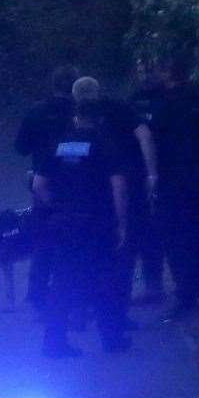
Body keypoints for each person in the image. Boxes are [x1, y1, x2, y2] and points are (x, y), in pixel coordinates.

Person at [32, 87, 132, 357]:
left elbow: (39, 183)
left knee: (62, 283)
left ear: (76, 118)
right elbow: (118, 185)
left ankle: (54, 343)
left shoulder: (60, 144)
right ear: (98, 118)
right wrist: (121, 221)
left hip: (65, 223)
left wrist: (55, 205)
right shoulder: (104, 143)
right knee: (106, 281)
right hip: (97, 223)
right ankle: (112, 339)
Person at [151, 51, 199, 318]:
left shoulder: (167, 104)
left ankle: (185, 295)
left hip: (175, 182)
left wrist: (153, 176)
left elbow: (155, 142)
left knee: (176, 240)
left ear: (168, 74)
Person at [72, 76, 157, 314]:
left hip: (86, 194)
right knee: (125, 245)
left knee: (83, 249)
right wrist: (151, 174)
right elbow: (145, 136)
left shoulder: (74, 121)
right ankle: (117, 306)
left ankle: (84, 305)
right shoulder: (119, 108)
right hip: (127, 183)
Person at [14, 65, 78, 306]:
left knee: (42, 241)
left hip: (42, 181)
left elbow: (21, 148)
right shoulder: (79, 113)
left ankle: (37, 294)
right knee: (73, 241)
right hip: (76, 183)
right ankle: (72, 296)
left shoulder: (37, 112)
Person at [127, 58, 168, 303]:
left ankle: (155, 284)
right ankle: (142, 283)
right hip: (137, 175)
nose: (144, 76)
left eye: (148, 71)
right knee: (139, 230)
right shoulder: (132, 102)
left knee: (156, 232)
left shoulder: (166, 100)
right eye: (140, 71)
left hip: (165, 172)